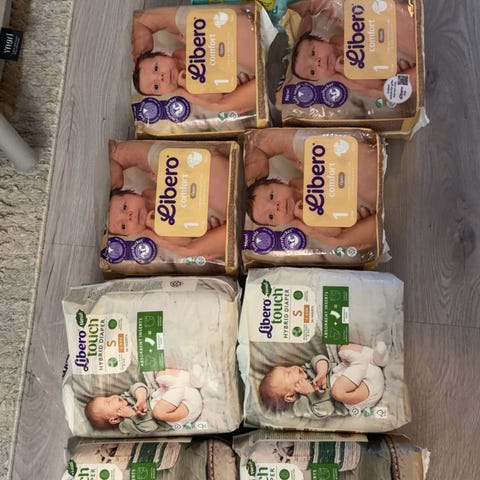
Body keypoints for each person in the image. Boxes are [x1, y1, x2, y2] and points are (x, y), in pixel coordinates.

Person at [107, 139, 230, 261]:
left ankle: (120, 153)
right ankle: (120, 154)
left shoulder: (148, 193)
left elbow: (172, 186)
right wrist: (159, 232)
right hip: (207, 217)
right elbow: (184, 242)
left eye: (125, 207)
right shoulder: (155, 230)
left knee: (167, 162)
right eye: (123, 226)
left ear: (133, 193)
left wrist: (162, 180)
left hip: (196, 184)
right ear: (131, 234)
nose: (129, 216)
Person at [131, 5, 258, 113]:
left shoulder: (179, 54)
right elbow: (215, 98)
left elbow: (205, 51)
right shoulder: (187, 90)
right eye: (156, 86)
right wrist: (185, 89)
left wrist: (193, 43)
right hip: (240, 73)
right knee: (224, 105)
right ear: (163, 94)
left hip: (230, 48)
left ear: (164, 54)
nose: (160, 77)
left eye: (156, 68)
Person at [288, 0, 417, 99]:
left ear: (321, 39)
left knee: (378, 25)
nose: (317, 62)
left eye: (313, 52)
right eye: (312, 71)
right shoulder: (341, 77)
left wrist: (347, 24)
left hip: (390, 48)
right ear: (319, 79)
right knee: (388, 88)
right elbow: (373, 86)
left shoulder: (335, 40)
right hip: (390, 77)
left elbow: (363, 34)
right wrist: (350, 72)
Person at [259, 342, 388, 417]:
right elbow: (326, 410)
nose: (292, 367)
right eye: (288, 373)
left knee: (342, 350)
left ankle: (376, 358)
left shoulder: (306, 370)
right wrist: (310, 393)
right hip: (365, 390)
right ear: (290, 396)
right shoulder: (301, 406)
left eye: (287, 367)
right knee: (337, 392)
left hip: (361, 369)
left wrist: (321, 372)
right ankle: (359, 364)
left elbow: (319, 358)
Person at [246, 177, 377, 250]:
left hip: (353, 193)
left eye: (271, 196)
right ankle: (370, 234)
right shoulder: (301, 223)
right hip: (353, 222)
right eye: (271, 216)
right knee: (344, 239)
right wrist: (309, 219)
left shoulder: (296, 183)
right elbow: (335, 232)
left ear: (281, 182)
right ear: (278, 224)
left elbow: (325, 184)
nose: (276, 206)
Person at [84, 368, 203, 433]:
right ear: (114, 419)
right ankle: (178, 386)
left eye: (108, 397)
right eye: (108, 402)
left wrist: (141, 399)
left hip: (172, 394)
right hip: (185, 409)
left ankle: (192, 380)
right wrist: (132, 415)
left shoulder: (126, 397)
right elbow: (151, 427)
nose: (113, 397)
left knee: (159, 374)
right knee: (157, 413)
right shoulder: (127, 424)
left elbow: (138, 386)